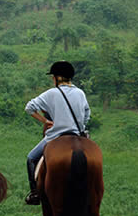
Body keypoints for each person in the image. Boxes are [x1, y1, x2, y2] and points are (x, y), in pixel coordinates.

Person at [24, 61, 90, 205]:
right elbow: (87, 113)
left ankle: (35, 193)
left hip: (56, 136)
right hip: (77, 135)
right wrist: (80, 126)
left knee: (31, 158)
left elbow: (29, 107)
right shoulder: (80, 93)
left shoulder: (51, 93)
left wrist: (45, 121)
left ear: (57, 78)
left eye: (53, 77)